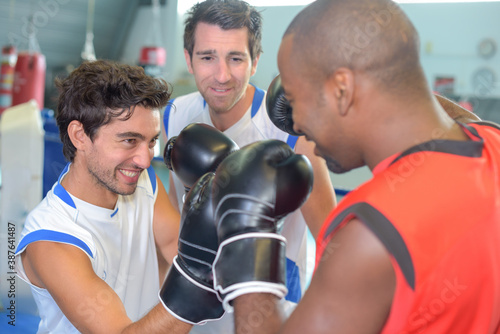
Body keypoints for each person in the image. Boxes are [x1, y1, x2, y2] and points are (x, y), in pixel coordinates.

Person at [222, 0, 500, 333]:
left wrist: (248, 231)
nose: (294, 124)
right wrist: (387, 73)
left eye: (294, 101)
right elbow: (466, 123)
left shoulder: (369, 234)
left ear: (342, 89)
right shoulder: (491, 145)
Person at [163, 1, 336, 332]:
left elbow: (333, 241)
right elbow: (177, 217)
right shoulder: (176, 116)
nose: (222, 75)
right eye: (207, 57)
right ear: (188, 59)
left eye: (236, 58)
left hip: (275, 303)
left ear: (255, 62)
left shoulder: (289, 128)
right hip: (199, 301)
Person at [14, 59, 199, 333]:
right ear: (79, 135)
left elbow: (174, 244)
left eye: (151, 141)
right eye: (129, 140)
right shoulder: (52, 238)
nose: (145, 160)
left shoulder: (140, 182)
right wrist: (200, 280)